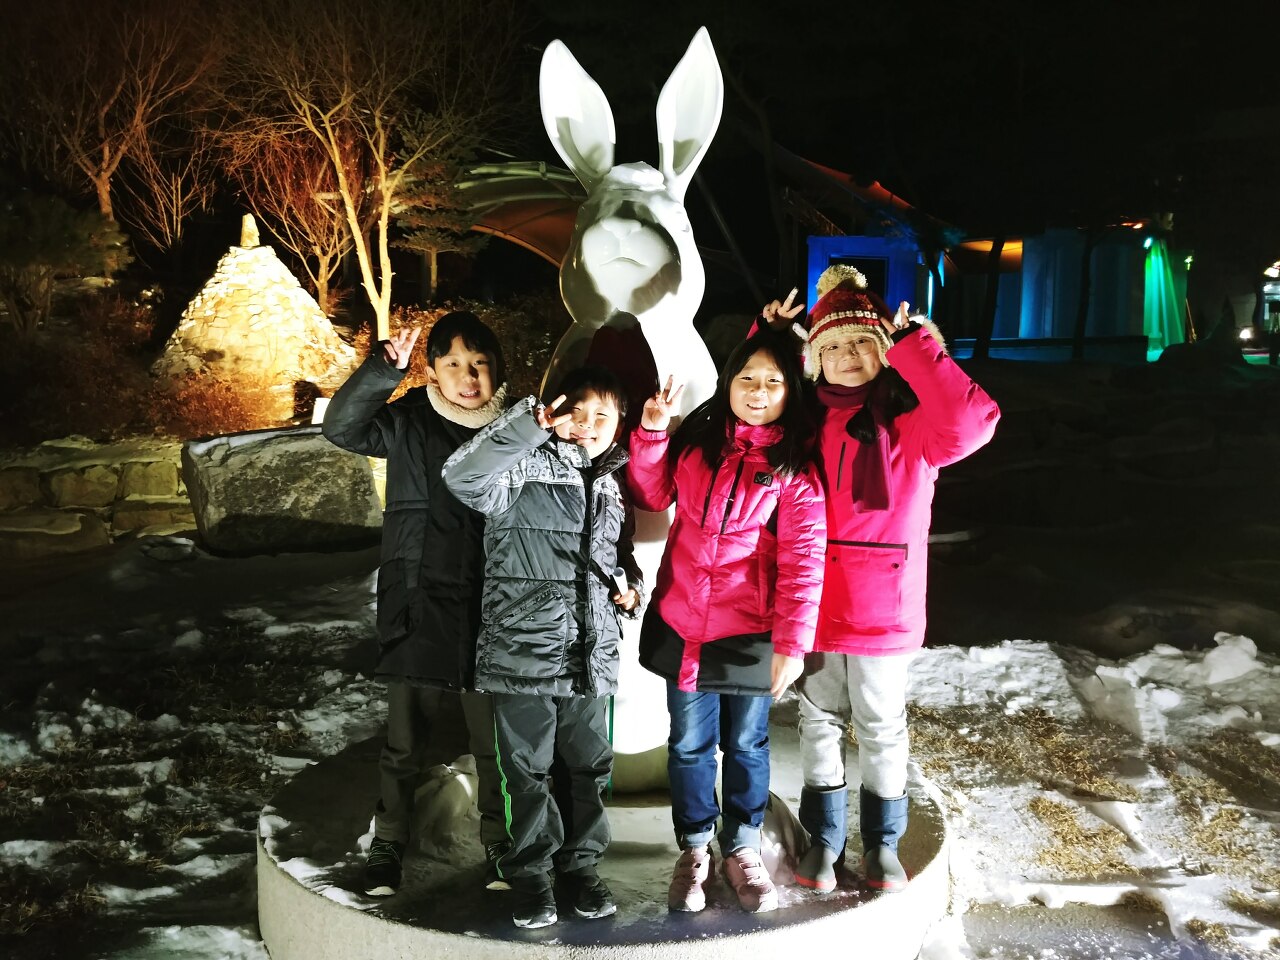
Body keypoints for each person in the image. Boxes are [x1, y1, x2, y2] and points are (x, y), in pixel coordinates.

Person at [761, 267, 1000, 894]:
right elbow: (749, 407)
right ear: (815, 357)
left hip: (884, 608)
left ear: (884, 350)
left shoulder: (913, 423)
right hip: (813, 602)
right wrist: (770, 338)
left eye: (864, 342)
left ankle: (883, 845)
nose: (848, 355)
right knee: (818, 722)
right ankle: (825, 841)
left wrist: (919, 347)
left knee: (881, 727)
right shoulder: (800, 423)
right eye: (833, 345)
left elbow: (973, 421)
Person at [626, 329, 826, 914]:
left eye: (773, 381)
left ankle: (741, 846)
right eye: (747, 378)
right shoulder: (699, 444)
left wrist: (792, 644)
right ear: (728, 382)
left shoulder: (794, 470)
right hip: (683, 620)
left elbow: (804, 560)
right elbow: (652, 494)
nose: (758, 391)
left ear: (790, 391)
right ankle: (694, 849)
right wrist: (653, 435)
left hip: (751, 631)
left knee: (746, 744)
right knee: (689, 745)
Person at [442, 366, 643, 930]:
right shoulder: (521, 466)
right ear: (554, 413)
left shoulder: (611, 483)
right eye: (577, 412)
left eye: (602, 416)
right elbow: (461, 476)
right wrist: (528, 426)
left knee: (589, 767)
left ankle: (581, 868)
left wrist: (630, 588)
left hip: (590, 653)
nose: (588, 425)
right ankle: (530, 873)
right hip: (522, 651)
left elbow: (617, 556)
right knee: (524, 771)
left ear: (618, 424)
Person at [320, 311, 511, 898]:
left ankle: (502, 841)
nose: (467, 377)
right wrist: (383, 371)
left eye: (479, 364)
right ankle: (389, 841)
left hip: (489, 601)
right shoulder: (408, 420)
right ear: (431, 370)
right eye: (452, 363)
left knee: (495, 740)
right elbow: (342, 428)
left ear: (497, 369)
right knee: (404, 739)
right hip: (418, 596)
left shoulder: (516, 430)